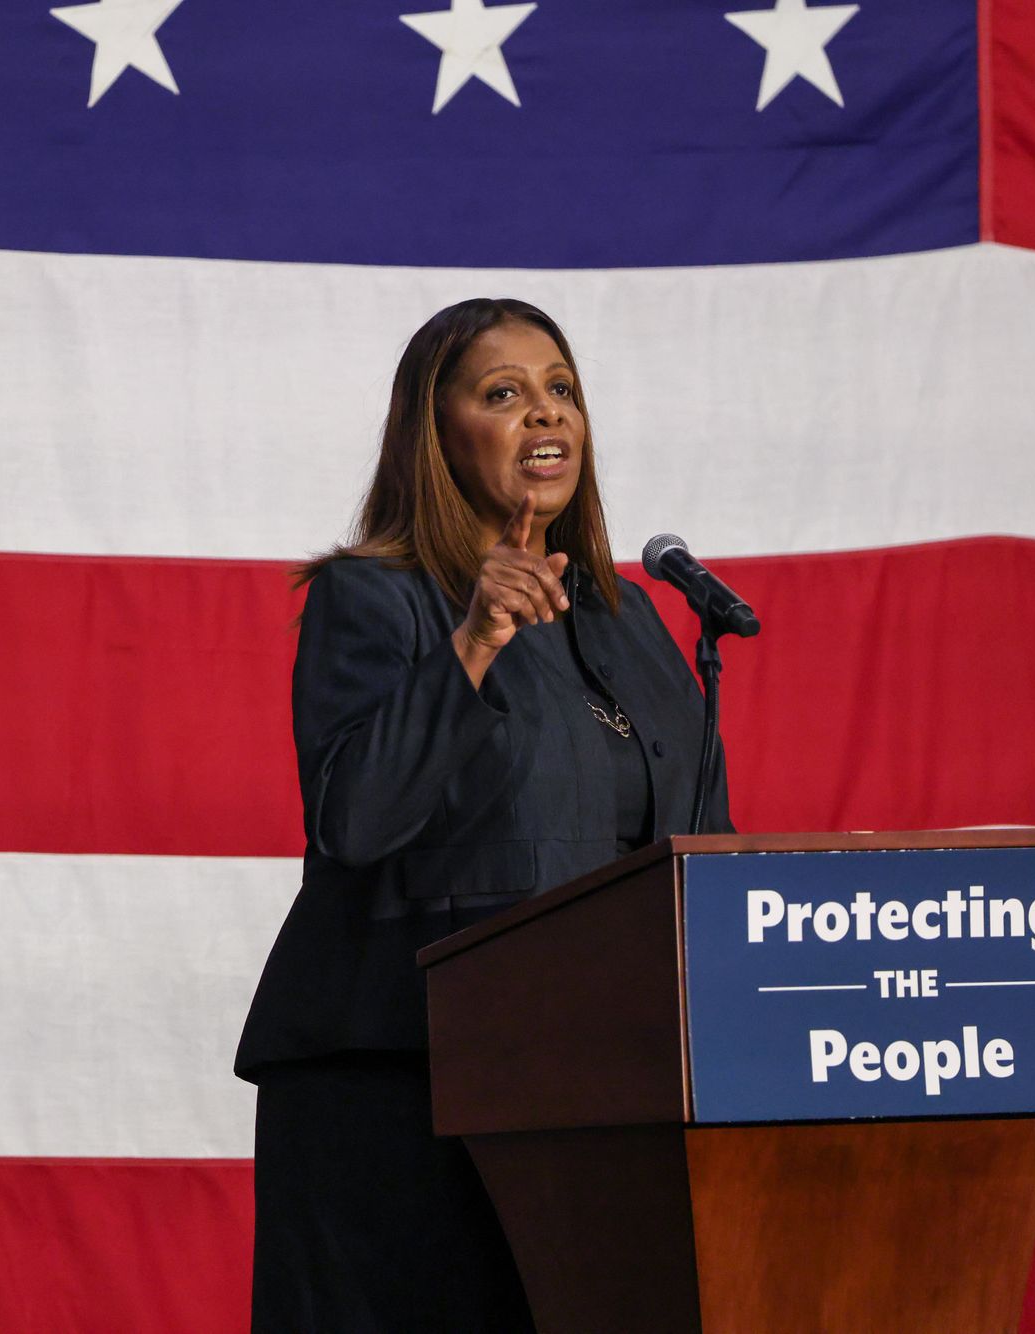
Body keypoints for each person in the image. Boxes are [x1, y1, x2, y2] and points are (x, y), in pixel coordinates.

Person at [234, 297, 732, 1331]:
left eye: (559, 390)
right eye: (502, 394)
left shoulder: (631, 615)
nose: (542, 416)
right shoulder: (374, 600)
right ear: (437, 429)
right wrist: (470, 641)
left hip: (588, 1090)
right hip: (398, 1089)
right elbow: (352, 820)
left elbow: (697, 854)